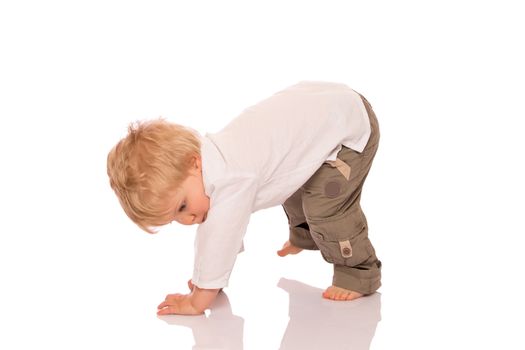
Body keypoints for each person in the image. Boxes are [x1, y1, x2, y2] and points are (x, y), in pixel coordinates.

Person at [107, 81, 382, 315]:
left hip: (349, 127)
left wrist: (199, 298)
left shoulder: (229, 178)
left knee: (327, 205)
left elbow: (220, 237)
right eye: (175, 218)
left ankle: (358, 272)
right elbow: (215, 231)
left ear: (194, 163)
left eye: (182, 206)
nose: (188, 219)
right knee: (292, 182)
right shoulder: (212, 163)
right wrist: (205, 277)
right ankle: (307, 236)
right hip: (323, 108)